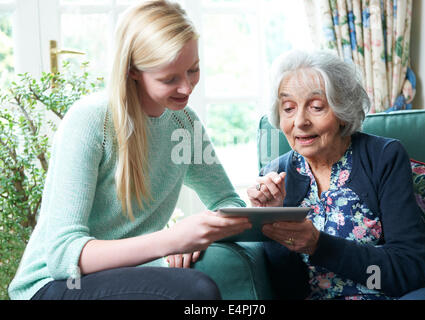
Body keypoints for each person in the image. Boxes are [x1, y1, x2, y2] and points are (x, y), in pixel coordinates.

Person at [8, 0, 252, 300]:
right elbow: (62, 256)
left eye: (193, 70)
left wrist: (202, 236)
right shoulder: (91, 120)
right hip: (53, 286)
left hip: (124, 277)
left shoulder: (184, 124)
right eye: (170, 78)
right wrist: (173, 239)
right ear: (134, 70)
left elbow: (228, 202)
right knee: (195, 291)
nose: (187, 88)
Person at [247, 50, 425, 300]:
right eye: (288, 108)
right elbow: (290, 289)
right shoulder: (274, 176)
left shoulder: (384, 157)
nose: (299, 121)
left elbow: (408, 271)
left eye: (316, 107)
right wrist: (271, 224)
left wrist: (319, 245)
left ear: (343, 112)